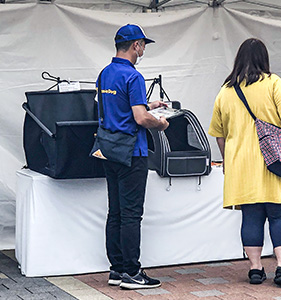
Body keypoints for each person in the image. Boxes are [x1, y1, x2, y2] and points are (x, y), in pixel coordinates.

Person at [208, 38, 281, 287]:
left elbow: (219, 133)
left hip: (241, 166)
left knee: (251, 217)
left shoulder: (225, 91)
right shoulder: (273, 83)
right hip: (275, 161)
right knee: (280, 214)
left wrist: (227, 160)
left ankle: (256, 269)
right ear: (264, 59)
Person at [97, 24, 169, 290]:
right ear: (136, 45)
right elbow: (139, 118)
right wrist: (160, 122)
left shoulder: (105, 73)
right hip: (132, 151)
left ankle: (116, 270)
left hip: (109, 150)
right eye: (143, 45)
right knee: (131, 215)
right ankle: (132, 272)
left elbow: (119, 107)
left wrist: (150, 105)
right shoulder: (134, 76)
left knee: (114, 212)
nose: (143, 50)